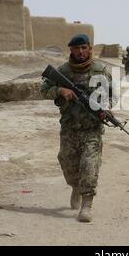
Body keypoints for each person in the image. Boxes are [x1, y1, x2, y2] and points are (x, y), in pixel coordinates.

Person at [40, 34, 112, 223]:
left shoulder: (100, 70)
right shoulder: (63, 71)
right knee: (67, 163)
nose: (80, 52)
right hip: (69, 128)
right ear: (70, 50)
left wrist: (106, 109)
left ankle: (86, 205)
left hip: (91, 129)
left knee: (90, 165)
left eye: (83, 47)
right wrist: (60, 91)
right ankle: (75, 186)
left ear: (89, 48)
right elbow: (44, 89)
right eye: (76, 48)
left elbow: (111, 94)